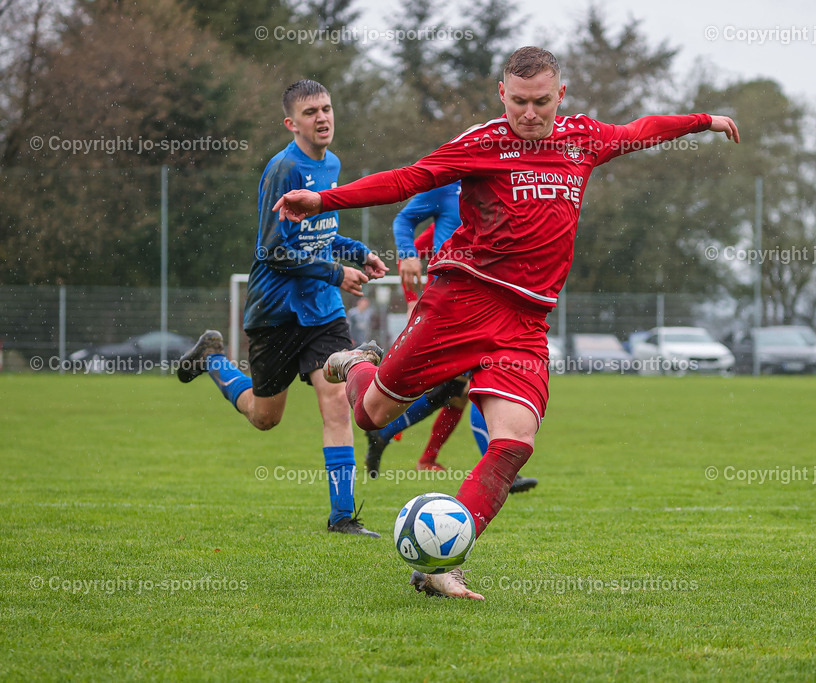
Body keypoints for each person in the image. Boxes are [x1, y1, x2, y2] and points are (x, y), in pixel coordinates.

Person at [273, 47, 739, 599]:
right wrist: (323, 198)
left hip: (525, 322)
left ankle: (441, 563)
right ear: (502, 95)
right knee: (372, 416)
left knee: (515, 442)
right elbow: (408, 180)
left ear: (560, 96)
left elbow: (641, 129)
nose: (530, 113)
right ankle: (355, 364)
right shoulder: (482, 143)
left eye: (542, 101)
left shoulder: (582, 140)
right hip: (461, 303)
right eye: (519, 102)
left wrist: (702, 121)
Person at [177, 79, 388, 537]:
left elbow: (323, 233)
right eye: (311, 112)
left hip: (323, 311)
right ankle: (212, 358)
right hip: (276, 311)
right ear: (291, 123)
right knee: (264, 416)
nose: (323, 118)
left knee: (335, 402)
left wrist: (357, 253)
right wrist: (336, 272)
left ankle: (342, 517)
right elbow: (274, 251)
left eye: (327, 108)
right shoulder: (282, 169)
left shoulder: (331, 163)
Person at [363, 182, 538, 492]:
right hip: (453, 306)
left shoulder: (505, 192)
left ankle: (396, 439)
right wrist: (410, 296)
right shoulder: (448, 189)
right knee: (477, 384)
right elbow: (414, 238)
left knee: (455, 391)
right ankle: (499, 473)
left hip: (490, 305)